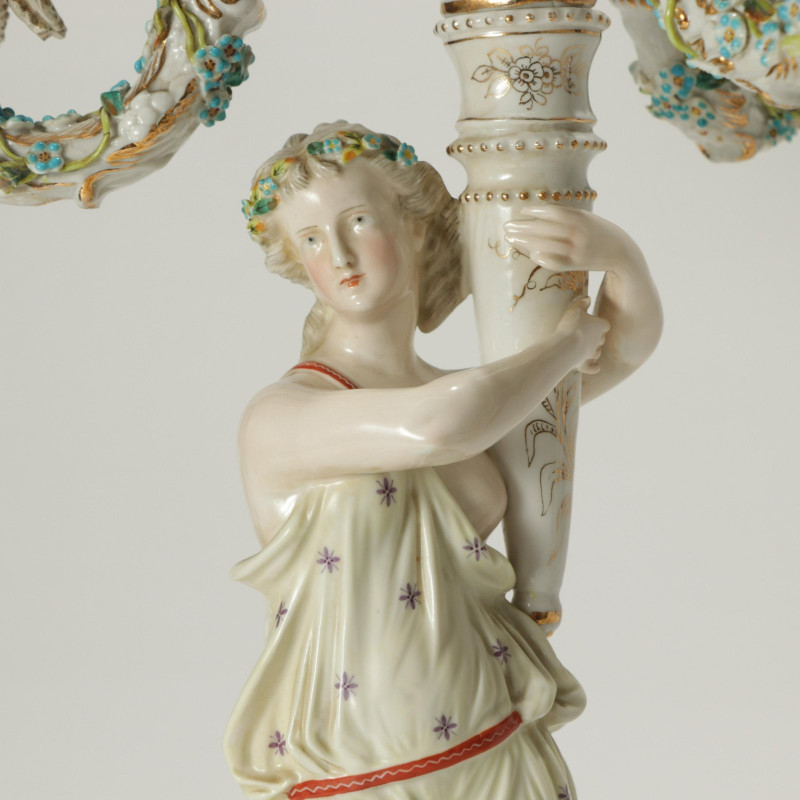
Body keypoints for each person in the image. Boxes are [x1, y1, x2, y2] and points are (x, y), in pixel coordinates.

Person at [224, 122, 661, 800]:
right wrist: (565, 347)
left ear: (417, 225)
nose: (338, 253)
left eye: (358, 220)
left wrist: (621, 260)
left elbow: (621, 355)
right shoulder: (282, 416)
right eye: (310, 238)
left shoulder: (487, 398)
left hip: (494, 739)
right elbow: (436, 428)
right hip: (364, 766)